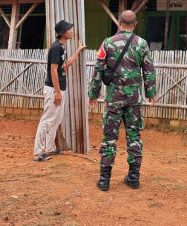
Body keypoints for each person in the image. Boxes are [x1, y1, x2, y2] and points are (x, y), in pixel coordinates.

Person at [88, 10, 156, 191]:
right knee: (134, 135)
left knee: (109, 137)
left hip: (114, 98)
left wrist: (93, 94)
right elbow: (149, 70)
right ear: (135, 24)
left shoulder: (107, 43)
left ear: (119, 23)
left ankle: (104, 180)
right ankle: (134, 178)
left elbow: (98, 70)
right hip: (134, 98)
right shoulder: (142, 43)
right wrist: (151, 92)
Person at [33, 19, 85, 162]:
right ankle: (37, 153)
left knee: (56, 120)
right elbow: (53, 70)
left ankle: (50, 148)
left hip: (60, 88)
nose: (71, 31)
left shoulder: (62, 47)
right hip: (53, 89)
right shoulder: (56, 47)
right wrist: (57, 92)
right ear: (63, 32)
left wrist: (78, 51)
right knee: (47, 120)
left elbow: (65, 65)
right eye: (69, 29)